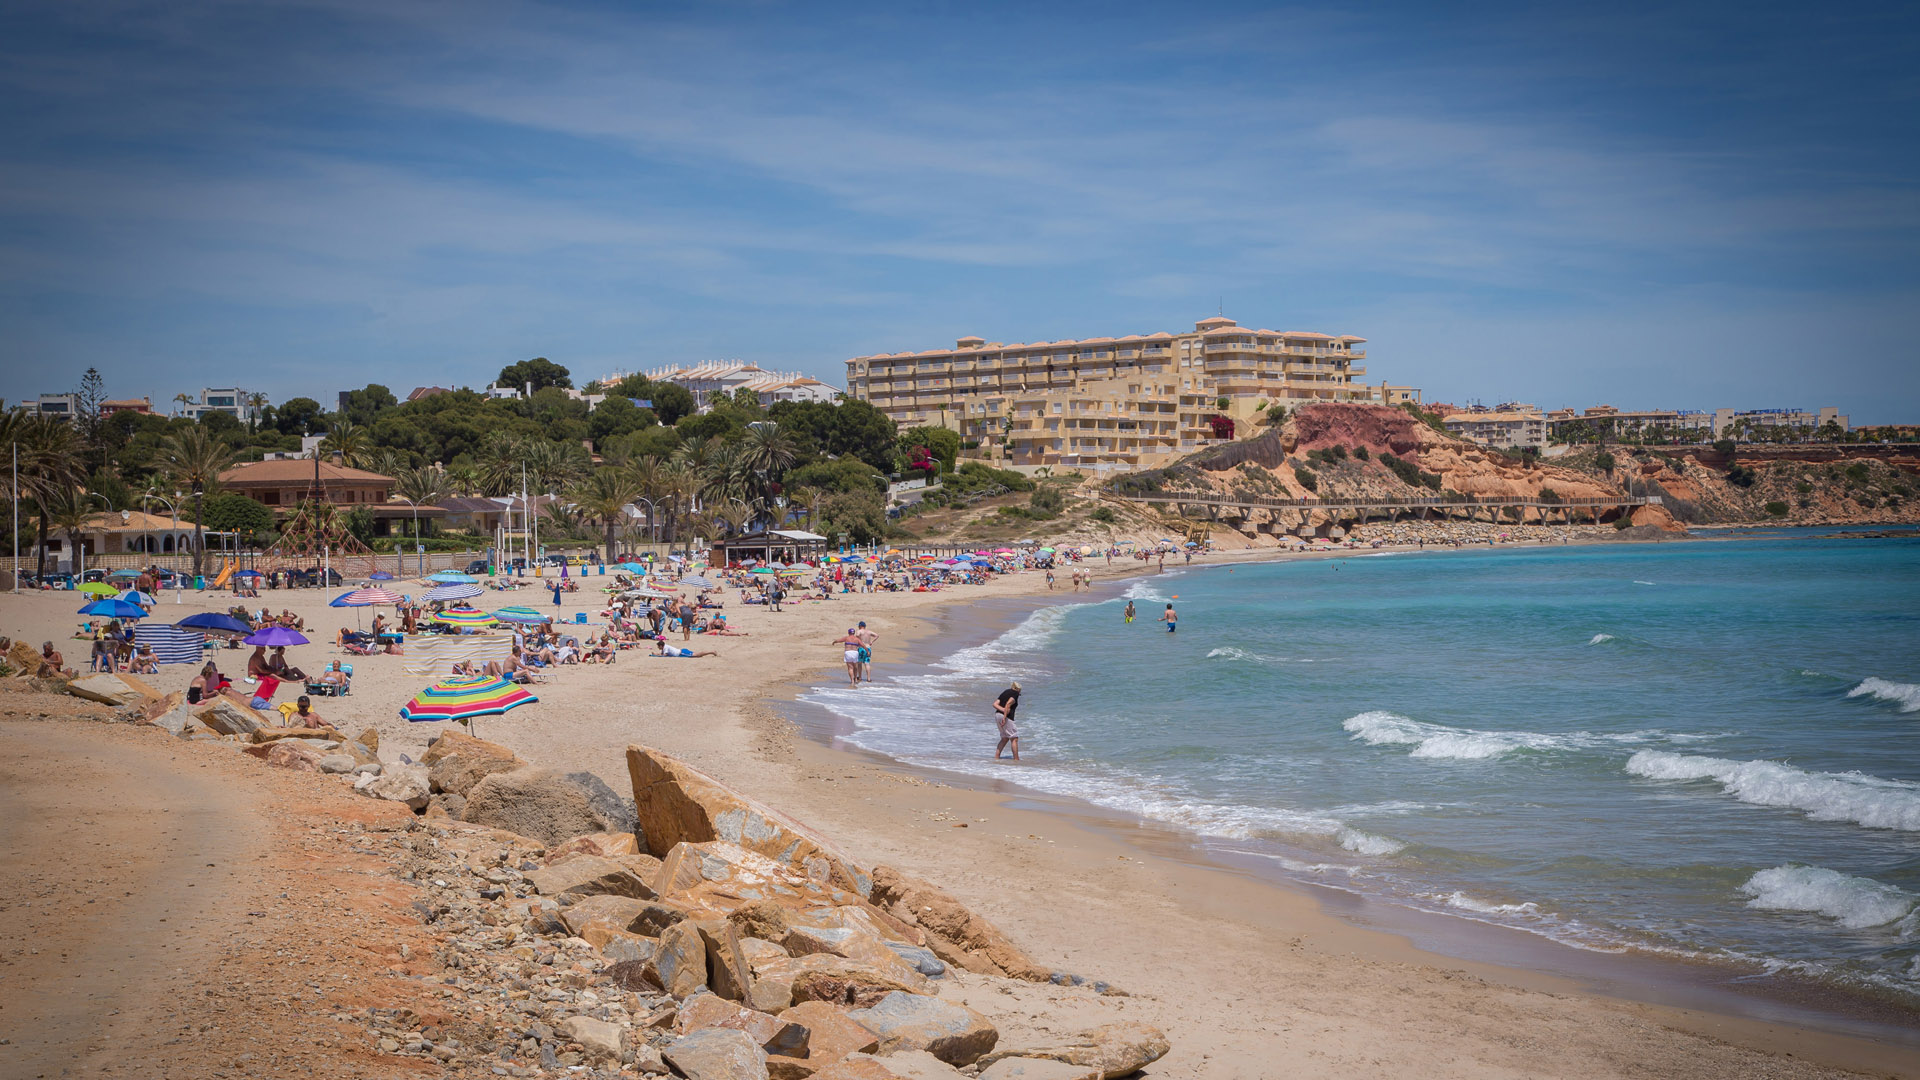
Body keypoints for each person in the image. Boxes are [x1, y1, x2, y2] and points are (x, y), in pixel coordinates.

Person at [993, 682, 1021, 761]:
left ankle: (996, 757)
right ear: (1018, 689)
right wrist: (1005, 716)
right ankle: (1016, 759)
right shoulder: (1015, 693)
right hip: (1005, 717)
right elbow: (1008, 703)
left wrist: (1001, 710)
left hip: (997, 715)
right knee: (1014, 738)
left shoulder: (1005, 692)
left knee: (1004, 738)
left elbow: (995, 704)